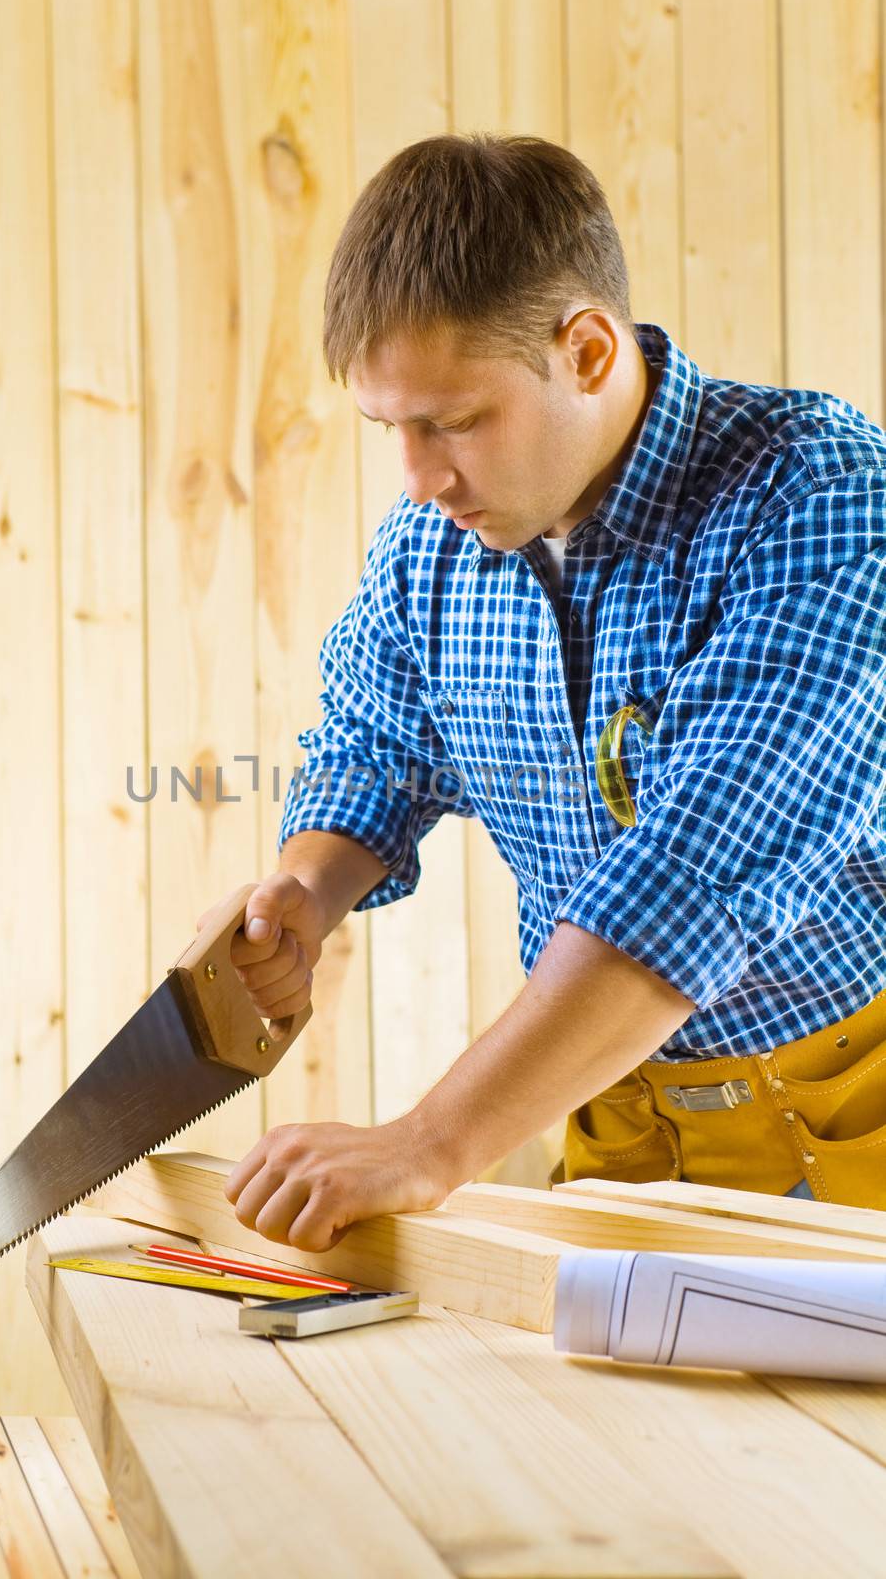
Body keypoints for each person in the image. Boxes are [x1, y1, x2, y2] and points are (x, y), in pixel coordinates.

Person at [198, 133, 886, 1253]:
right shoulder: (432, 544)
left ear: (586, 349)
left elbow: (694, 867)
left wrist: (427, 1141)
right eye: (395, 430)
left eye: (455, 421)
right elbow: (374, 746)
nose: (419, 479)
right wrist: (302, 895)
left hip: (849, 1116)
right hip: (612, 1126)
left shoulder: (812, 495)